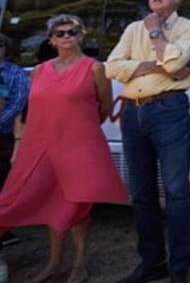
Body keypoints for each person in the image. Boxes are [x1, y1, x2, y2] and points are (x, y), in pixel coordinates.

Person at [0, 15, 128, 283]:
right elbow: (35, 109)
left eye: (73, 31)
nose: (67, 36)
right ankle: (55, 263)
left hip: (80, 146)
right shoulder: (39, 71)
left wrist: (81, 131)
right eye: (60, 33)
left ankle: (79, 265)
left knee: (77, 204)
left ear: (81, 35)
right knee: (49, 201)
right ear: (52, 39)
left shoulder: (93, 68)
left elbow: (104, 107)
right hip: (43, 146)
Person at [106, 0, 190, 283]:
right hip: (134, 115)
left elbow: (174, 65)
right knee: (142, 194)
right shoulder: (132, 28)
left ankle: (179, 269)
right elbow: (111, 67)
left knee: (176, 193)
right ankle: (152, 263)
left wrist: (155, 32)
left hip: (168, 111)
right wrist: (153, 65)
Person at [0, 33, 29, 250]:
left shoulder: (16, 73)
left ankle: (4, 230)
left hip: (1, 134)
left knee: (1, 179)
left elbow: (18, 103)